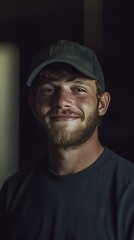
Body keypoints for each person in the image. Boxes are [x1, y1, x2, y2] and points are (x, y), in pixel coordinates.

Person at [0, 40, 134, 240]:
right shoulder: (13, 191)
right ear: (33, 104)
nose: (62, 101)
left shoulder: (129, 190)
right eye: (49, 90)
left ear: (102, 104)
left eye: (78, 89)